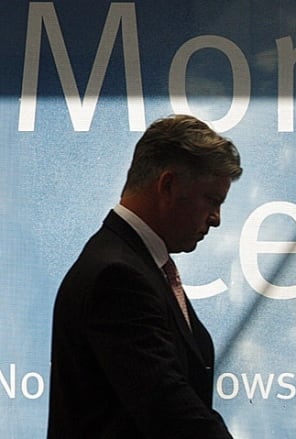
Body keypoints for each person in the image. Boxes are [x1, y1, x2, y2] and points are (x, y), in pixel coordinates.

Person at [47, 115, 241, 438]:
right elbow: (169, 412)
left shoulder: (135, 263)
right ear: (168, 185)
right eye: (212, 200)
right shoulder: (118, 276)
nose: (216, 219)